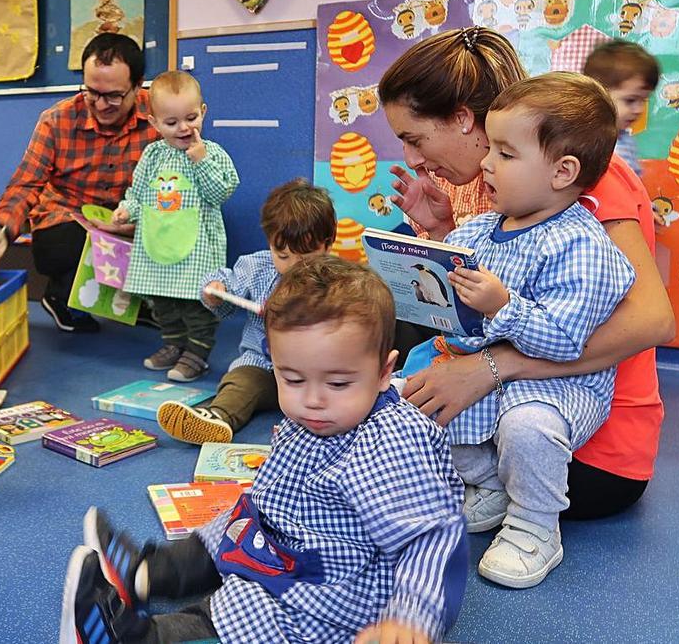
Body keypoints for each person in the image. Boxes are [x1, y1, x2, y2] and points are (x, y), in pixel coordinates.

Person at [60, 256, 468, 644]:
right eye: (292, 379)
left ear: (383, 373)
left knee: (247, 612)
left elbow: (430, 538)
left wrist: (410, 617)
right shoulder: (321, 415)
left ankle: (141, 638)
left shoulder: (390, 444)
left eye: (338, 384)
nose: (312, 400)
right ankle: (144, 573)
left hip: (333, 591)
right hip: (288, 532)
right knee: (223, 529)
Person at [379, 26, 675, 521]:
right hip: (506, 410)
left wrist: (488, 368)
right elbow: (515, 284)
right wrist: (443, 235)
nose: (411, 157)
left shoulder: (588, 176)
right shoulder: (504, 195)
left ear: (462, 120)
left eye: (415, 139)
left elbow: (653, 322)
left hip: (584, 446)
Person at [403, 73, 636, 588]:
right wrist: (430, 250)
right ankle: (488, 484)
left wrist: (503, 305)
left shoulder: (583, 246)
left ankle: (535, 523)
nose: (486, 163)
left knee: (527, 428)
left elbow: (565, 342)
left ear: (562, 171)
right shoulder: (485, 226)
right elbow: (452, 286)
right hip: (492, 371)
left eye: (505, 154)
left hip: (558, 385)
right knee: (416, 399)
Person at [0, 33, 159, 333]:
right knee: (67, 248)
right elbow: (26, 184)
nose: (101, 104)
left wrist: (145, 221)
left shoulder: (159, 116)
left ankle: (137, 298)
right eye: (92, 92)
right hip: (69, 218)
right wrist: (2, 231)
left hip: (131, 218)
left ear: (138, 85)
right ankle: (61, 296)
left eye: (114, 96)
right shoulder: (57, 119)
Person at [156, 179, 335, 443]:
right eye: (283, 255)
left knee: (343, 389)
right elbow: (228, 284)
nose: (294, 265)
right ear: (270, 243)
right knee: (240, 382)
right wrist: (216, 291)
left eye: (306, 257)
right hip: (262, 367)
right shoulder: (258, 267)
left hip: (314, 374)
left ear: (327, 244)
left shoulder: (337, 278)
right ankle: (216, 417)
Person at [110, 70, 238, 382]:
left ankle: (197, 353)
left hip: (198, 251)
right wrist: (126, 211)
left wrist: (200, 161)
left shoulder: (212, 153)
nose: (184, 128)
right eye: (171, 122)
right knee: (162, 303)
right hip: (157, 249)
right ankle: (173, 343)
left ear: (203, 113)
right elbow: (138, 195)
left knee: (197, 307)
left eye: (191, 118)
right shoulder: (152, 155)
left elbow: (221, 192)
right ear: (154, 123)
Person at [583, 40, 660, 177]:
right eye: (630, 100)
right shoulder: (588, 143)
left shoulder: (625, 139)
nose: (639, 110)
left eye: (644, 100)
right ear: (598, 94)